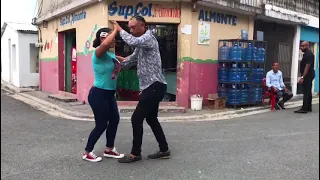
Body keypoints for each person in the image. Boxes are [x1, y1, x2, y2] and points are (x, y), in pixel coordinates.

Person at [111, 16, 170, 163]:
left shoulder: (148, 38)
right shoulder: (141, 45)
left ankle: (135, 153)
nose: (130, 30)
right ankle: (164, 150)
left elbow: (131, 41)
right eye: (129, 28)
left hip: (154, 86)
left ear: (143, 26)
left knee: (136, 118)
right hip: (153, 86)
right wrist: (112, 58)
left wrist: (119, 29)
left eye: (133, 27)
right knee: (151, 119)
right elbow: (130, 60)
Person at [82, 26, 124, 162]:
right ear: (103, 38)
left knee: (114, 120)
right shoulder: (98, 53)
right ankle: (87, 152)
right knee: (101, 124)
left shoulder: (111, 55)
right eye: (111, 37)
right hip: (98, 93)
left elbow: (126, 60)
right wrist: (116, 30)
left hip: (109, 94)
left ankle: (109, 149)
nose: (114, 40)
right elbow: (105, 44)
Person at [295, 41, 315, 114]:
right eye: (301, 46)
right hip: (308, 75)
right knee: (308, 91)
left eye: (303, 46)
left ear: (307, 46)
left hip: (308, 75)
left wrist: (303, 77)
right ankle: (308, 107)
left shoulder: (309, 54)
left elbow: (307, 66)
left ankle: (304, 108)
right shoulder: (306, 54)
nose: (301, 47)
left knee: (306, 92)